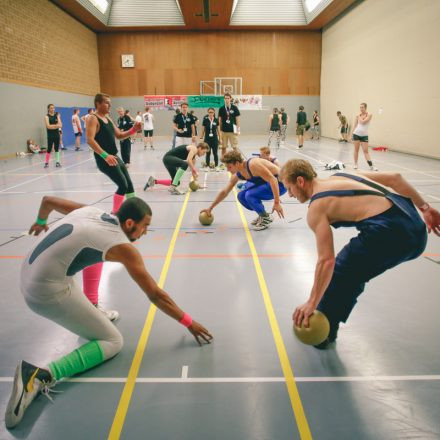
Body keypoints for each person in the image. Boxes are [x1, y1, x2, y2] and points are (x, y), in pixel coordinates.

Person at [4, 196, 213, 429]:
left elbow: (47, 201)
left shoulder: (91, 211)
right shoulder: (122, 247)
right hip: (43, 292)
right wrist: (188, 322)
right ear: (130, 224)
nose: (146, 232)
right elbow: (155, 294)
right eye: (145, 226)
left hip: (29, 272)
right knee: (112, 340)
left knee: (77, 271)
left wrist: (41, 221)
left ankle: (92, 314)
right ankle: (39, 375)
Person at [280, 159, 440, 349]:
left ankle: (324, 331)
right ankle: (330, 322)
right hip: (414, 224)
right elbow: (395, 179)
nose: (289, 194)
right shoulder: (341, 175)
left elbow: (326, 260)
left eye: (289, 188)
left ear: (300, 181)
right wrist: (426, 209)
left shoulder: (317, 207)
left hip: (393, 233)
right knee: (350, 269)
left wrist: (312, 302)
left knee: (340, 271)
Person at [201, 150, 286, 231]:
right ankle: (264, 215)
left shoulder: (253, 165)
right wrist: (210, 208)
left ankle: (265, 218)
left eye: (229, 167)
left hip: (281, 184)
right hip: (269, 183)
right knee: (241, 196)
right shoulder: (238, 174)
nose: (228, 170)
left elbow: (273, 180)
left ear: (237, 163)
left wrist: (277, 202)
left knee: (249, 195)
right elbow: (225, 192)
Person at [144, 143, 209, 195]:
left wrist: (197, 185)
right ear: (200, 148)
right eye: (204, 152)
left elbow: (193, 172)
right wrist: (194, 169)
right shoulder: (194, 148)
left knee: (176, 181)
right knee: (184, 164)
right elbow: (188, 160)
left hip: (169, 161)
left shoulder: (193, 158)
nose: (204, 154)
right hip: (168, 158)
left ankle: (153, 181)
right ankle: (173, 187)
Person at [351, 103, 378, 171]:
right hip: (356, 134)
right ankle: (355, 164)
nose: (361, 109)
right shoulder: (358, 116)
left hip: (364, 136)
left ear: (365, 108)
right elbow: (355, 125)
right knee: (356, 150)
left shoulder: (369, 115)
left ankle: (371, 166)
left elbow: (363, 122)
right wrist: (351, 134)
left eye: (362, 107)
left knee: (366, 151)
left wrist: (358, 116)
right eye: (360, 107)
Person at [218, 93, 241, 162]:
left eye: (228, 98)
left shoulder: (234, 108)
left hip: (233, 130)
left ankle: (237, 161)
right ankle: (223, 162)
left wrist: (238, 130)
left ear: (230, 99)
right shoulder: (221, 108)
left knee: (235, 147)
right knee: (223, 147)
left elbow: (237, 119)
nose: (227, 99)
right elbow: (219, 120)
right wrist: (219, 131)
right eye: (225, 98)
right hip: (224, 131)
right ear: (224, 99)